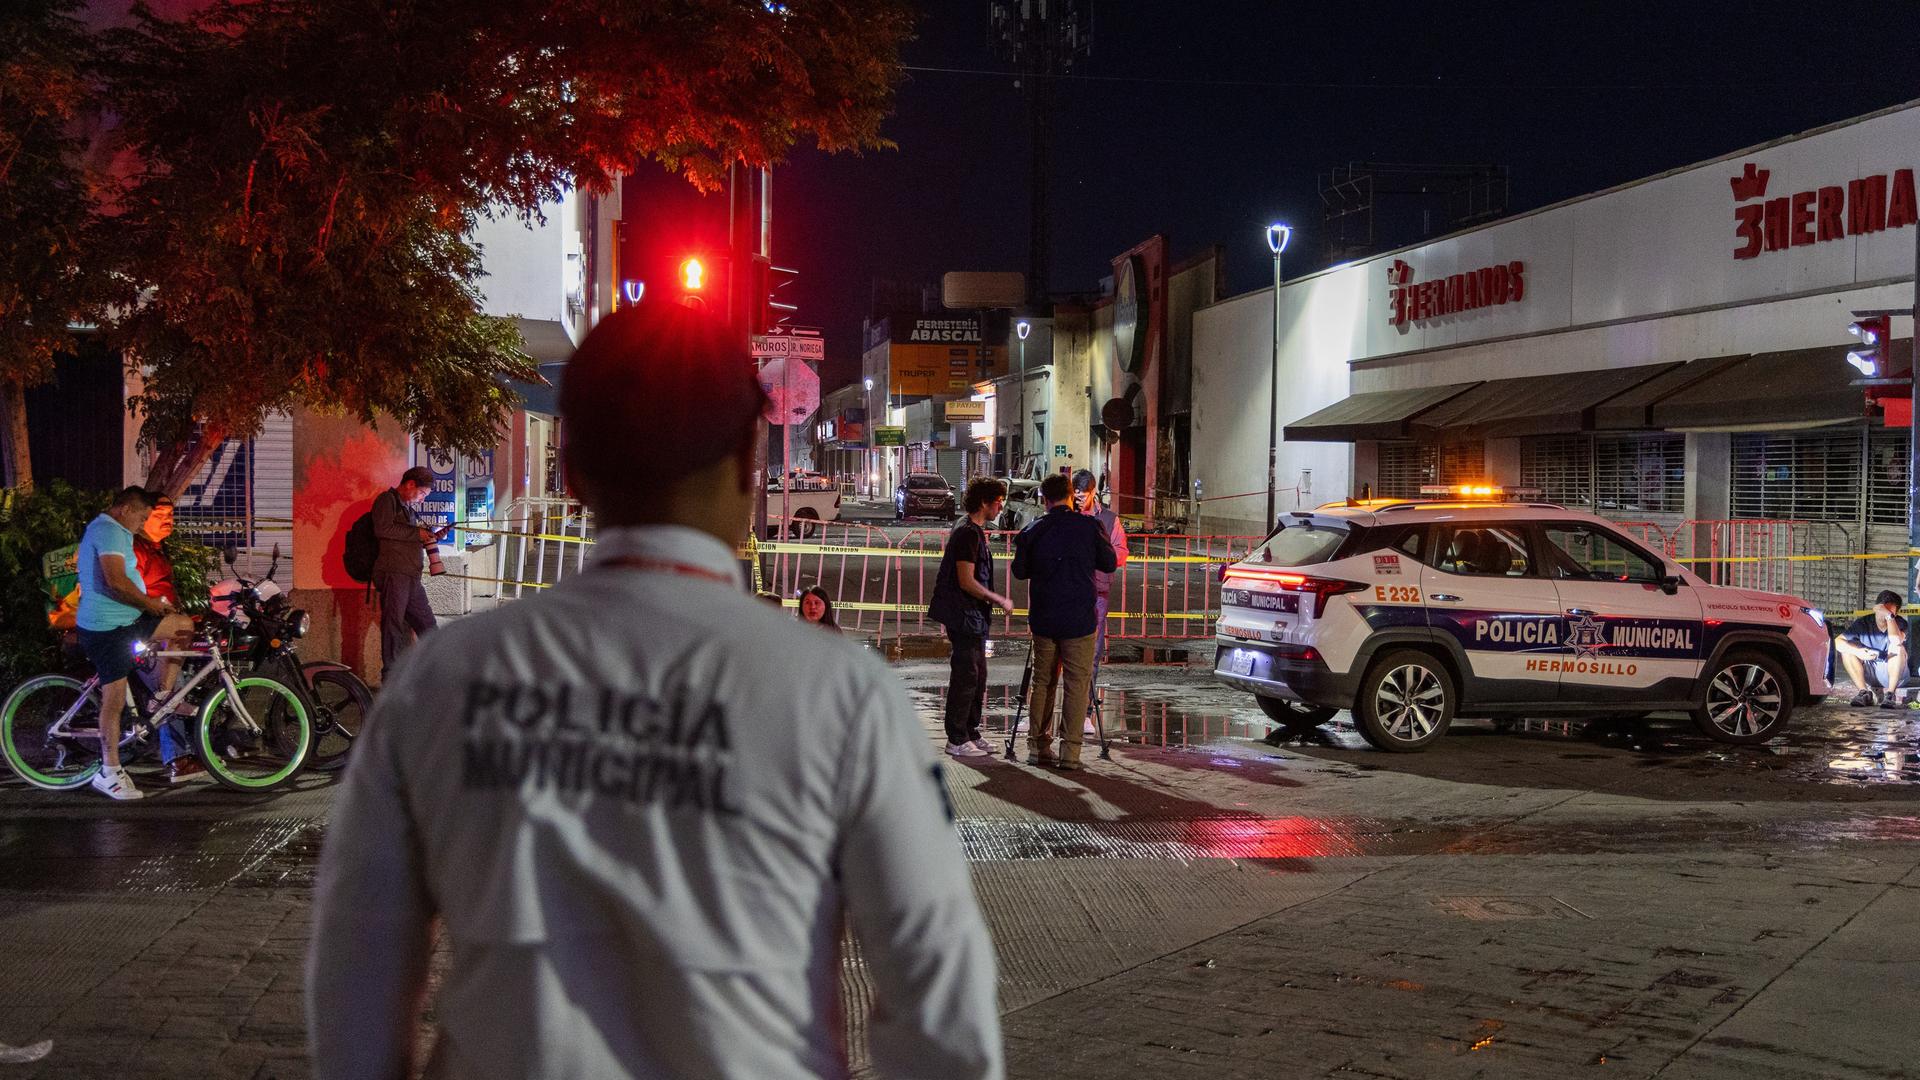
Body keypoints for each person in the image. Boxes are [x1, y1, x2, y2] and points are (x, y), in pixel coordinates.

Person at [308, 296, 1001, 1080]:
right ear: (749, 466)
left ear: (569, 470)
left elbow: (356, 973)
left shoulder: (440, 681)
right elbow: (941, 998)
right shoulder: (843, 695)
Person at [74, 487, 195, 800]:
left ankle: (163, 696)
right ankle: (109, 772)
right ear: (126, 508)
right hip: (107, 628)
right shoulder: (108, 531)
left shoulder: (117, 531)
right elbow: (115, 582)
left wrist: (153, 605)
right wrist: (150, 604)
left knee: (182, 626)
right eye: (142, 518)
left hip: (127, 622)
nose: (143, 525)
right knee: (113, 700)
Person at [1012, 473, 1116, 770]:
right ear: (1072, 495)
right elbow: (1108, 563)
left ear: (1044, 500)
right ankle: (1070, 753)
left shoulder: (1034, 530)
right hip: (1080, 619)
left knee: (1042, 682)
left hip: (1044, 618)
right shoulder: (1089, 526)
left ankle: (1038, 747)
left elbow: (1020, 571)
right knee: (1076, 684)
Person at [928, 478, 1013, 759]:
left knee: (978, 674)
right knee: (966, 675)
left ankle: (970, 731)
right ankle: (956, 737)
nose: (1001, 506)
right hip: (963, 613)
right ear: (984, 502)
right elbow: (966, 580)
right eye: (998, 500)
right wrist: (997, 598)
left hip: (973, 615)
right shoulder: (967, 533)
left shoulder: (974, 530)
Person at [132, 494, 203, 784]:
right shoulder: (136, 548)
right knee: (170, 690)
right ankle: (177, 760)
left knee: (178, 683)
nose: (168, 520)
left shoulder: (157, 548)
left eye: (171, 515)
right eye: (160, 515)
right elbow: (133, 589)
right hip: (145, 628)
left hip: (160, 624)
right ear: (143, 517)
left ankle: (194, 749)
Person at [370, 465, 439, 677]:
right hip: (393, 573)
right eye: (421, 493)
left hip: (411, 577)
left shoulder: (408, 508)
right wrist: (416, 533)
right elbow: (383, 529)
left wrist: (428, 536)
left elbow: (406, 538)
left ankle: (438, 669)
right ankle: (390, 674)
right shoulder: (386, 500)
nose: (422, 499)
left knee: (428, 625)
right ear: (410, 484)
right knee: (392, 624)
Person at [1071, 469, 1130, 714]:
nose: (1078, 499)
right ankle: (1072, 703)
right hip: (1071, 589)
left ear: (1093, 492)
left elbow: (1121, 552)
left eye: (1082, 494)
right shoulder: (1068, 516)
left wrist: (1099, 557)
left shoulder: (1108, 519)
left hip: (1097, 592)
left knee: (1093, 651)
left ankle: (1085, 707)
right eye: (1075, 494)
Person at [1836, 590, 1912, 708]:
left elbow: (1896, 640)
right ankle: (1864, 693)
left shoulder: (1900, 623)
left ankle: (1890, 695)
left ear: (1895, 614)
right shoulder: (1863, 622)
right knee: (1847, 650)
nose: (1884, 614)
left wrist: (1889, 617)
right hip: (1870, 671)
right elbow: (1837, 642)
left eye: (1890, 612)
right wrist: (1858, 652)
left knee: (1898, 648)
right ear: (1876, 609)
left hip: (1894, 674)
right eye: (1883, 610)